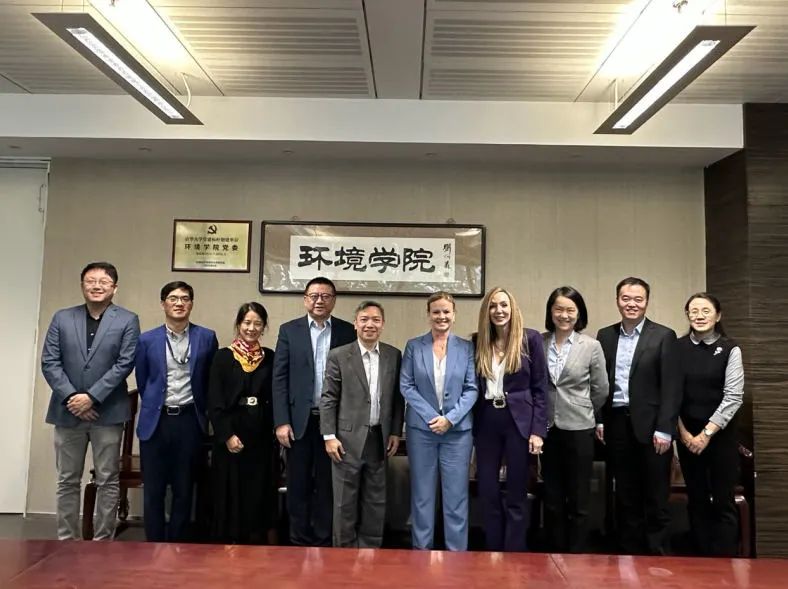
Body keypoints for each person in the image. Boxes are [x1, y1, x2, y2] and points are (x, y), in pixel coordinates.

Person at [41, 261, 140, 540]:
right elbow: (50, 362)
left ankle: (102, 541)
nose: (97, 286)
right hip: (67, 412)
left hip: (108, 412)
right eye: (91, 281)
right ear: (82, 285)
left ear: (114, 288)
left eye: (104, 282)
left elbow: (125, 363)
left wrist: (92, 397)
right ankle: (67, 540)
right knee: (67, 480)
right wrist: (73, 398)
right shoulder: (62, 318)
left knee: (107, 479)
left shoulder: (127, 320)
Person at [596, 277, 680, 555]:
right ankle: (628, 555)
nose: (631, 304)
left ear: (646, 302)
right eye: (626, 298)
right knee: (625, 494)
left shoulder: (663, 336)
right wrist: (600, 419)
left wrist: (665, 428)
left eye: (638, 299)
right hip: (617, 424)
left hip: (653, 427)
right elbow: (599, 382)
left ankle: (658, 554)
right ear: (617, 300)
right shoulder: (605, 336)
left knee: (656, 495)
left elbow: (671, 387)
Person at [272, 277, 356, 546]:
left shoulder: (346, 331)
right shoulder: (289, 330)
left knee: (327, 484)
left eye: (325, 296)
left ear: (334, 300)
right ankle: (298, 539)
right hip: (299, 421)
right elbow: (279, 378)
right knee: (298, 484)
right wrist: (281, 421)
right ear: (305, 299)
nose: (319, 301)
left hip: (333, 423)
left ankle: (323, 539)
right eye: (314, 296)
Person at [135, 281, 218, 542]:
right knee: (154, 489)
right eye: (173, 298)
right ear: (163, 304)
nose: (179, 303)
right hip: (156, 422)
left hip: (189, 420)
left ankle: (178, 544)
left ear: (191, 304)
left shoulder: (207, 337)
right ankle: (154, 543)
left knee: (184, 488)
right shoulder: (147, 339)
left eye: (184, 298)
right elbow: (143, 380)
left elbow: (209, 379)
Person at [320, 300, 405, 547]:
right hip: (345, 441)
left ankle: (370, 551)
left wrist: (395, 432)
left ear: (383, 324)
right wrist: (329, 436)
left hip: (379, 438)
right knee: (344, 502)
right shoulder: (339, 355)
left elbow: (397, 398)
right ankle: (343, 552)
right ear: (355, 324)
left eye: (376, 320)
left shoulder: (393, 355)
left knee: (375, 501)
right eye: (364, 319)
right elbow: (328, 398)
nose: (370, 324)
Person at [400, 291, 478, 551]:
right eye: (436, 312)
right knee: (422, 495)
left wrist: (450, 419)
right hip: (421, 431)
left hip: (457, 433)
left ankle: (456, 554)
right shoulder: (414, 346)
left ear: (454, 315)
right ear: (429, 315)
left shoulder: (466, 348)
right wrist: (433, 417)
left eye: (446, 312)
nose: (441, 316)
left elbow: (472, 389)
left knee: (456, 496)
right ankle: (421, 553)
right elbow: (407, 386)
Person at [472, 287, 547, 552]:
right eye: (493, 306)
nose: (499, 310)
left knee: (517, 490)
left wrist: (538, 431)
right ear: (486, 311)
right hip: (487, 420)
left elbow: (540, 388)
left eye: (504, 305)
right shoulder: (477, 341)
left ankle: (515, 550)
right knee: (488, 489)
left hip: (519, 422)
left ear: (512, 308)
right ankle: (493, 548)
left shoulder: (530, 339)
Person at [541, 286, 608, 553]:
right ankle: (554, 552)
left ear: (579, 313)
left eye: (570, 310)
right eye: (559, 309)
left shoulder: (591, 346)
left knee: (579, 497)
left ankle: (577, 554)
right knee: (552, 496)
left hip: (580, 428)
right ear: (551, 312)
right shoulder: (539, 342)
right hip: (547, 428)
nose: (564, 315)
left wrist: (583, 408)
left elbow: (601, 389)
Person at [676, 293, 743, 557]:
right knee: (696, 499)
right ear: (687, 315)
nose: (699, 316)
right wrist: (684, 434)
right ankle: (700, 561)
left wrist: (705, 434)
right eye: (694, 311)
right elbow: (671, 395)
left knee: (723, 500)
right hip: (686, 436)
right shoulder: (677, 347)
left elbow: (733, 396)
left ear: (718, 315)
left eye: (706, 311)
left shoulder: (730, 348)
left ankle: (725, 562)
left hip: (720, 437)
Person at [207, 302, 276, 544]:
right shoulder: (223, 357)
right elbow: (214, 399)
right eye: (247, 322)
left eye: (258, 323)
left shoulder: (270, 357)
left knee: (258, 490)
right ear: (238, 324)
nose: (251, 328)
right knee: (230, 489)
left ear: (264, 327)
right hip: (232, 431)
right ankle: (230, 544)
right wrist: (227, 435)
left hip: (261, 433)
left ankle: (255, 542)